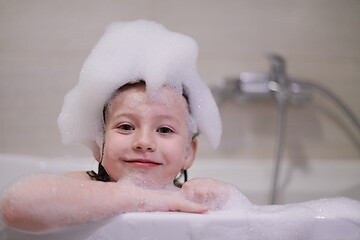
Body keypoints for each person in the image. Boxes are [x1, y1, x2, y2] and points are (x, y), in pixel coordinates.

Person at [0, 20, 240, 234]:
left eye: (165, 130)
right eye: (126, 127)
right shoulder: (87, 187)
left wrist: (221, 195)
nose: (143, 142)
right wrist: (140, 198)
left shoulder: (187, 197)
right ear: (98, 144)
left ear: (189, 152)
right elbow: (16, 206)